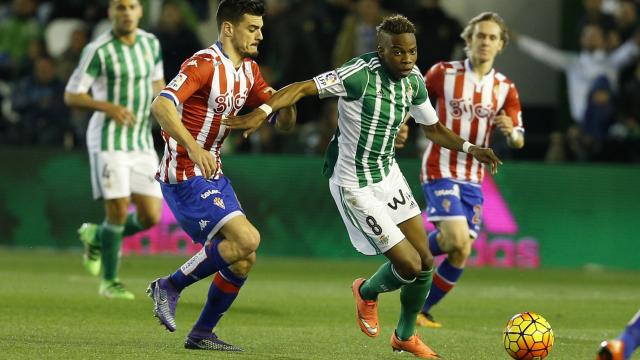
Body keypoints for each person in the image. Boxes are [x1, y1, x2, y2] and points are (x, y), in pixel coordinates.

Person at [223, 14, 501, 359]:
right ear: (381, 51)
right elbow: (301, 88)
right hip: (353, 183)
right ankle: (367, 292)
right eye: (398, 52)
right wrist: (261, 112)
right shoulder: (359, 74)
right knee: (409, 266)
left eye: (412, 52)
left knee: (427, 260)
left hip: (387, 175)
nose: (407, 59)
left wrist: (472, 149)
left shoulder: (413, 79)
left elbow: (433, 128)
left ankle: (404, 336)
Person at [146, 0, 296, 352]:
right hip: (183, 170)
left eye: (260, 28)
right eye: (252, 28)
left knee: (244, 257)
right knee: (247, 239)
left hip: (212, 171)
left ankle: (201, 334)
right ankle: (169, 286)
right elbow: (161, 104)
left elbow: (282, 123)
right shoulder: (203, 63)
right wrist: (193, 147)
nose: (260, 34)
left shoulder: (250, 72)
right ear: (228, 28)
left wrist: (286, 103)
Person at [415, 12, 525, 329]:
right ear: (467, 41)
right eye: (480, 36)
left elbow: (519, 138)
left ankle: (422, 307)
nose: (485, 42)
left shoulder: (505, 88)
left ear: (501, 45)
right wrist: (401, 128)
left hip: (474, 178)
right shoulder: (442, 73)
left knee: (460, 249)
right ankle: (405, 255)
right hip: (440, 166)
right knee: (456, 238)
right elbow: (410, 101)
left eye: (492, 37)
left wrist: (510, 132)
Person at [64, 0, 165, 299]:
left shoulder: (151, 44)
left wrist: (168, 113)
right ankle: (110, 281)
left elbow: (158, 84)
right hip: (108, 140)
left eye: (131, 6)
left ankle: (97, 235)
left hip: (141, 140)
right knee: (119, 209)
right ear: (110, 13)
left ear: (140, 11)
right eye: (120, 7)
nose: (126, 12)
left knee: (151, 216)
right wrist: (106, 106)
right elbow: (72, 94)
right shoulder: (98, 49)